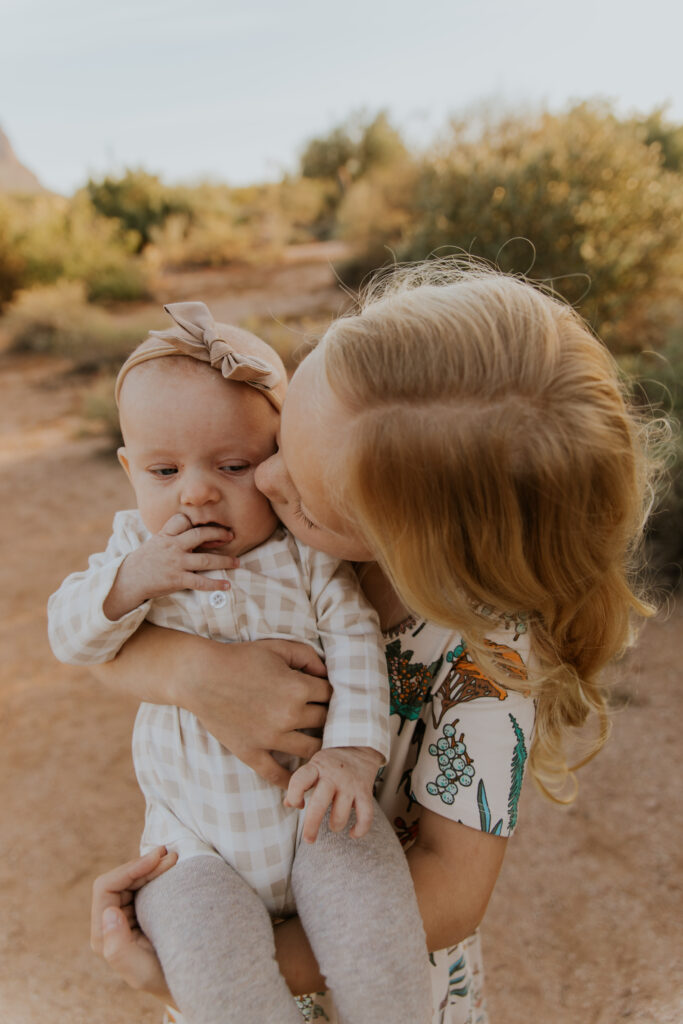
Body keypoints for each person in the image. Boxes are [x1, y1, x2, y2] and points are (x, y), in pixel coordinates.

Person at [88, 262, 658, 1024]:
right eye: (279, 437)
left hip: (379, 990)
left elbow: (452, 893)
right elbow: (108, 641)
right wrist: (192, 673)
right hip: (218, 896)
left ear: (409, 549)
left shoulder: (488, 664)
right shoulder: (256, 546)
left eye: (305, 495)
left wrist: (208, 973)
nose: (263, 481)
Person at [48, 302, 433, 1024]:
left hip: (322, 811)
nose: (195, 491)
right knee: (213, 974)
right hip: (190, 846)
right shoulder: (132, 552)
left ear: (279, 458)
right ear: (130, 470)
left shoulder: (304, 555)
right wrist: (131, 579)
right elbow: (70, 636)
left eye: (231, 465)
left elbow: (354, 639)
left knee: (381, 945)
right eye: (163, 470)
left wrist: (351, 754)